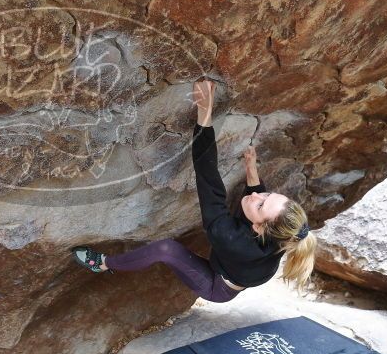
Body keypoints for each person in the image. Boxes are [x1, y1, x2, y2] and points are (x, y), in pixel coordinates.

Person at [71, 78, 317, 302]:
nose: (257, 195)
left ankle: (103, 264)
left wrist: (204, 112)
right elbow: (257, 205)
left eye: (262, 203)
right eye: (266, 194)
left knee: (166, 249)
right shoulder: (284, 235)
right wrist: (252, 172)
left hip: (217, 285)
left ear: (260, 229)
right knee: (249, 208)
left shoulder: (229, 236)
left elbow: (207, 175)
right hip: (239, 259)